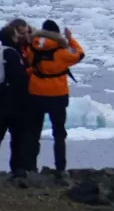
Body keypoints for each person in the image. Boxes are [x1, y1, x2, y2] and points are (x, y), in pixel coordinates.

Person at [27, 18, 85, 178]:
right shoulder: (61, 52)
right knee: (59, 133)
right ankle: (60, 168)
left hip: (36, 93)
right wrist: (70, 39)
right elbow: (79, 55)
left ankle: (30, 167)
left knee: (34, 132)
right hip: (57, 95)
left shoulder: (32, 48)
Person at [0, 20, 35, 178]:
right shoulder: (11, 53)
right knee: (17, 136)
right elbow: (20, 79)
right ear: (11, 37)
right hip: (14, 102)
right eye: (16, 36)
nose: (18, 39)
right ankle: (16, 168)